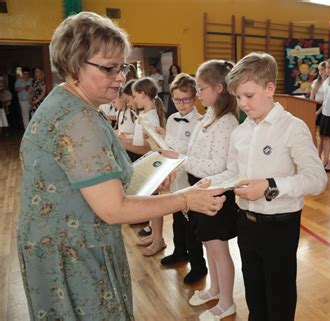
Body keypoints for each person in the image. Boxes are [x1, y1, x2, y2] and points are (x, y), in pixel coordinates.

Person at [16, 12, 226, 320]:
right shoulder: (77, 120)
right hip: (73, 253)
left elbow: (97, 177)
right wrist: (185, 198)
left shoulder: (76, 104)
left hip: (71, 243)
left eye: (122, 67)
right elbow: (113, 208)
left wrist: (150, 176)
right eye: (109, 68)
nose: (121, 77)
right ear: (75, 66)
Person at [205, 52, 327, 321]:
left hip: (279, 226)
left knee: (279, 297)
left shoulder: (292, 128)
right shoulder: (240, 131)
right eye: (238, 97)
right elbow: (233, 173)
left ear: (269, 89)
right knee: (254, 295)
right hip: (246, 222)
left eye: (249, 95)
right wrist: (211, 182)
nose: (243, 104)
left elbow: (317, 179)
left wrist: (270, 186)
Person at [161, 60, 240, 320]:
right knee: (208, 245)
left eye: (201, 88)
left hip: (215, 192)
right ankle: (214, 289)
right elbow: (194, 151)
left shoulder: (226, 122)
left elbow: (216, 165)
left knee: (218, 250)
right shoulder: (209, 115)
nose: (197, 93)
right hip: (201, 188)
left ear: (219, 88)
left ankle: (227, 301)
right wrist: (173, 147)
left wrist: (181, 159)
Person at [155, 73, 207, 285]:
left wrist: (167, 138)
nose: (181, 104)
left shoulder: (200, 122)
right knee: (177, 221)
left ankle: (198, 265)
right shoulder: (171, 119)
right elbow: (169, 149)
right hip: (176, 179)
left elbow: (189, 150)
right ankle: (180, 252)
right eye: (176, 99)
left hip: (191, 182)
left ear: (195, 98)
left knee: (192, 227)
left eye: (185, 99)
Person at [309, 61, 327, 157]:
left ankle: (319, 155)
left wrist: (318, 112)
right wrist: (311, 109)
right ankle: (315, 155)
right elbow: (312, 97)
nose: (320, 72)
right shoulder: (316, 82)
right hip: (314, 107)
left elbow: (327, 100)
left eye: (322, 69)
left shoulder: (328, 83)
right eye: (319, 69)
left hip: (324, 108)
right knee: (312, 133)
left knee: (322, 136)